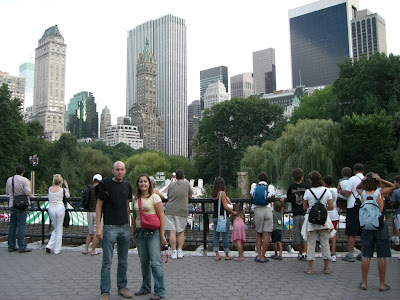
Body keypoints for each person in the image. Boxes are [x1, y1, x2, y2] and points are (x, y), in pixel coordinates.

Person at [96, 161, 133, 300]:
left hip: (124, 226)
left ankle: (122, 287)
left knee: (123, 260)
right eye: (117, 169)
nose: (119, 172)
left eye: (122, 169)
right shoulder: (106, 184)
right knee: (107, 261)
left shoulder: (127, 186)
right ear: (113, 171)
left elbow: (127, 206)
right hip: (109, 226)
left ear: (125, 171)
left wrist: (129, 226)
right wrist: (98, 227)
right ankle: (105, 291)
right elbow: (99, 206)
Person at [132, 174, 167, 300]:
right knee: (144, 262)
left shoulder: (155, 197)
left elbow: (161, 216)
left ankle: (159, 290)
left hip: (153, 233)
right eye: (140, 182)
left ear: (149, 184)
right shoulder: (136, 198)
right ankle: (145, 287)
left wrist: (162, 235)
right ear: (138, 184)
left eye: (145, 182)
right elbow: (134, 216)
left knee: (156, 263)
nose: (143, 184)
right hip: (140, 233)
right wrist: (133, 233)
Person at [358, 173, 391, 291]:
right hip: (380, 225)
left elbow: (357, 188)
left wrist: (362, 181)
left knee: (366, 255)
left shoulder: (363, 193)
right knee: (381, 256)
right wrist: (381, 179)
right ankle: (382, 284)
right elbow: (393, 186)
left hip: (366, 226)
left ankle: (364, 283)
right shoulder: (380, 193)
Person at [303, 170, 334, 275]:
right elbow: (331, 206)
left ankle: (310, 268)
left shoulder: (308, 192)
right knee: (325, 243)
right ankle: (326, 268)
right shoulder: (326, 191)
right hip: (324, 221)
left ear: (311, 180)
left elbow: (305, 207)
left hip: (312, 221)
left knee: (311, 243)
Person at [165, 169, 193, 259]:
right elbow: (190, 196)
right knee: (181, 232)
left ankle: (173, 251)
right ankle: (180, 250)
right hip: (182, 210)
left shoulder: (171, 184)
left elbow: (168, 196)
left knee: (172, 231)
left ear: (175, 177)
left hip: (170, 210)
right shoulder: (187, 184)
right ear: (183, 176)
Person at [339, 163, 364, 262]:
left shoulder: (352, 179)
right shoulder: (367, 179)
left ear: (354, 171)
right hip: (364, 206)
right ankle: (363, 253)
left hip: (353, 206)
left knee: (351, 232)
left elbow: (347, 193)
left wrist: (341, 192)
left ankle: (350, 254)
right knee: (363, 231)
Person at [250, 172, 276, 263]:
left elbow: (252, 196)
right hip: (267, 210)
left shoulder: (254, 186)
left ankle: (259, 255)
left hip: (258, 210)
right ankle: (263, 256)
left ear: (259, 179)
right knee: (266, 235)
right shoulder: (270, 187)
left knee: (259, 234)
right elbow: (272, 197)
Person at [6, 164, 32, 253]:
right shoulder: (25, 180)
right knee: (21, 225)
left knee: (12, 225)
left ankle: (11, 245)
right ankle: (22, 246)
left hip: (12, 204)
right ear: (23, 171)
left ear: (15, 170)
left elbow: (7, 192)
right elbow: (27, 193)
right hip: (22, 205)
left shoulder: (10, 180)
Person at [284, 168, 309, 260]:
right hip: (305, 212)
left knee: (297, 233)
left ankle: (300, 252)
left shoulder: (291, 187)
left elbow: (289, 198)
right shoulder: (306, 186)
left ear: (293, 177)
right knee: (305, 233)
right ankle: (305, 252)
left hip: (295, 213)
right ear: (302, 177)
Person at [212, 176, 236, 261]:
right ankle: (226, 254)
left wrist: (225, 198)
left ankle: (217, 254)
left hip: (215, 217)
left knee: (216, 235)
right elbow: (225, 206)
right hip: (223, 217)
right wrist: (232, 212)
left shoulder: (214, 194)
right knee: (225, 235)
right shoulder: (222, 193)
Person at [46, 174, 70, 255]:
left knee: (56, 228)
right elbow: (68, 196)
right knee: (59, 229)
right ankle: (57, 249)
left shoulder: (50, 189)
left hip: (51, 208)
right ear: (61, 181)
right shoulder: (62, 189)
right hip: (60, 208)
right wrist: (67, 187)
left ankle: (49, 246)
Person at [83, 173, 102, 255]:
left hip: (89, 212)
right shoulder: (100, 189)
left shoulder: (88, 189)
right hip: (97, 212)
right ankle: (93, 250)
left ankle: (86, 249)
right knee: (97, 232)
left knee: (89, 232)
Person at [323, 175, 339, 262]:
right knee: (333, 234)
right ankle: (333, 253)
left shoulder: (324, 191)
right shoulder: (335, 190)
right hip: (334, 214)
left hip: (325, 214)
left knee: (324, 234)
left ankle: (326, 253)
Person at [390, 176, 400, 245]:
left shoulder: (396, 192)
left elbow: (392, 202)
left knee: (398, 226)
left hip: (398, 212)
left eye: (394, 182)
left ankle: (397, 238)